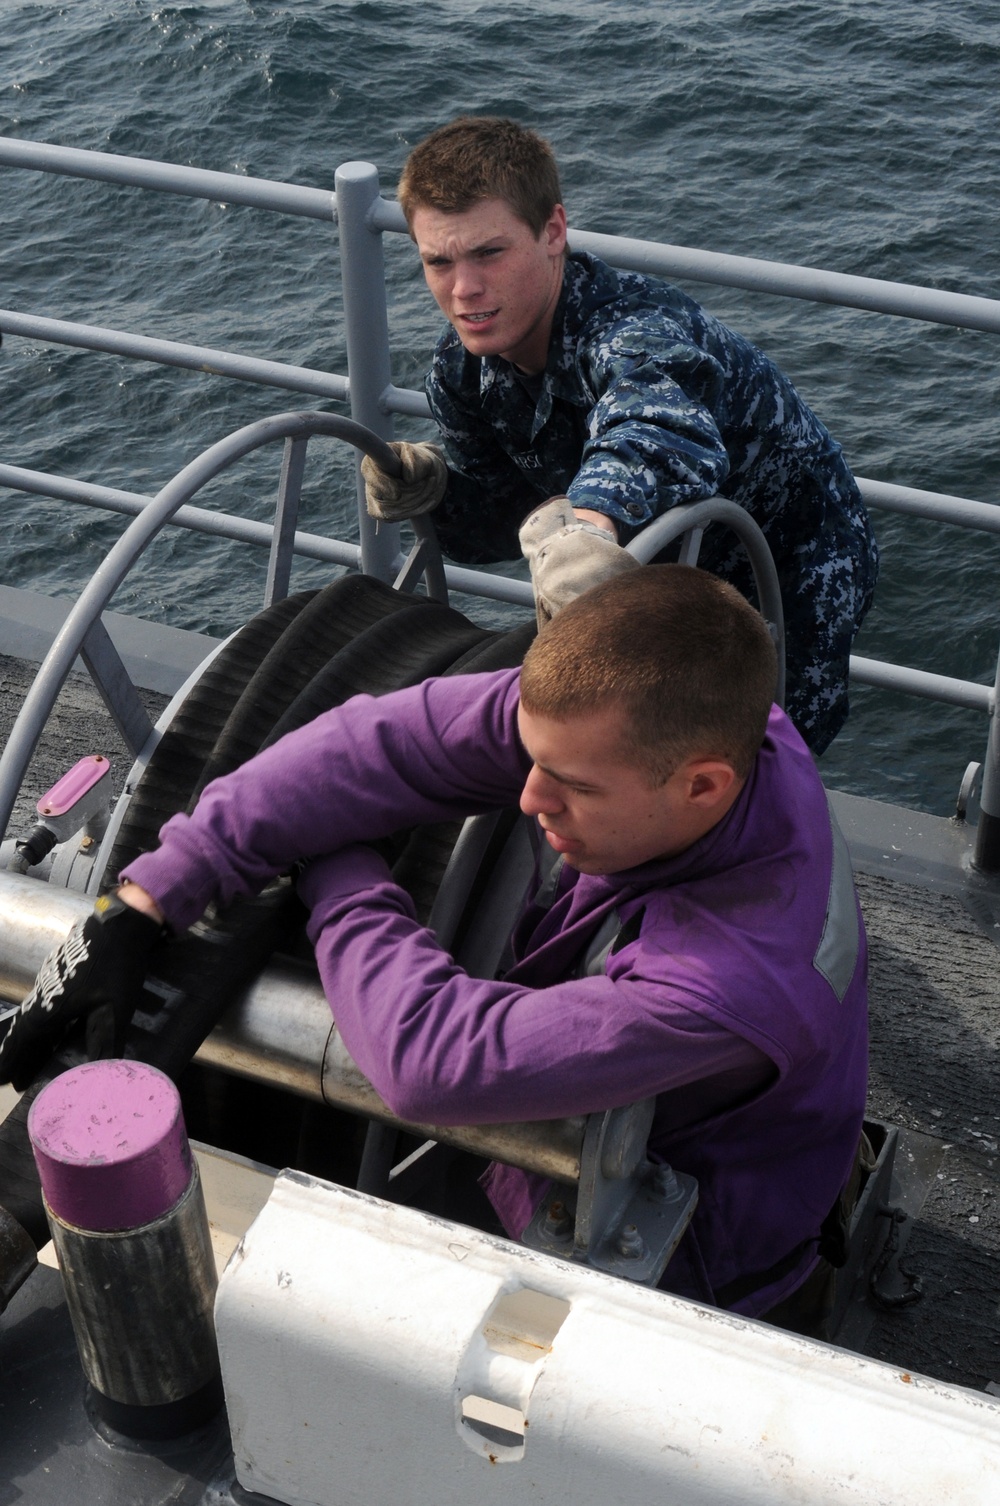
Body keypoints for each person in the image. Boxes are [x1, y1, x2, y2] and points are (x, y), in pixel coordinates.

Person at [0, 565, 868, 1330]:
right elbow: (376, 744)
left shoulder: (731, 976)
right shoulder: (711, 728)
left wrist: (338, 869)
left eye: (570, 788)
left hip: (692, 1251)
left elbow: (430, 1062)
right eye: (530, 761)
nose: (527, 799)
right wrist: (144, 900)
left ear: (702, 784)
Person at [361, 116, 879, 755]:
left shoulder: (631, 333)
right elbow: (511, 518)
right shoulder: (463, 372)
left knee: (756, 763)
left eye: (489, 253)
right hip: (648, 569)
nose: (463, 289)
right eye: (438, 261)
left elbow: (655, 428)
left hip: (787, 567)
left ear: (554, 232)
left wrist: (593, 522)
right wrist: (439, 496)